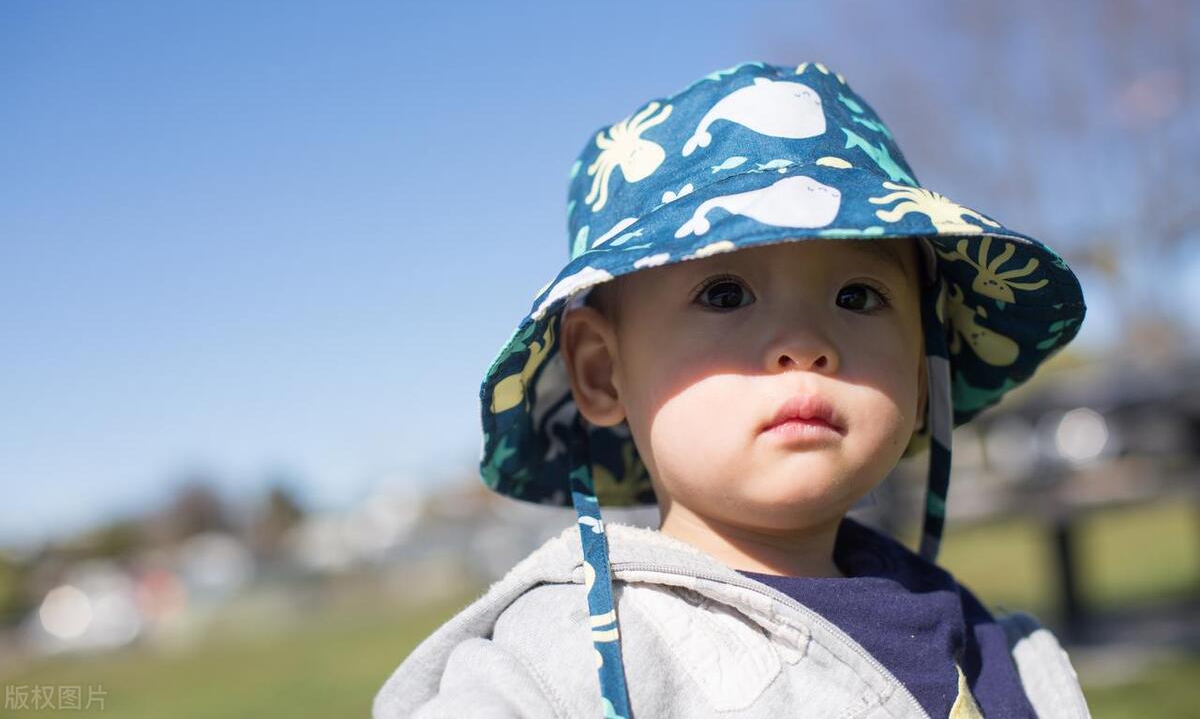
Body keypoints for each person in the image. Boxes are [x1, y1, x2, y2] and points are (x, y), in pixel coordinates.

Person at [373, 61, 1092, 718]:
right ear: (599, 370)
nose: (805, 344)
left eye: (858, 296)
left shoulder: (978, 636)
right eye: (724, 294)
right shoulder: (570, 664)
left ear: (921, 363)